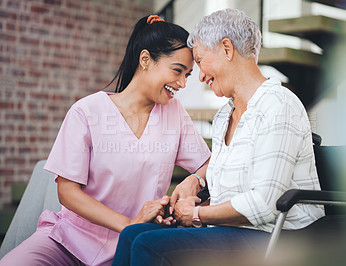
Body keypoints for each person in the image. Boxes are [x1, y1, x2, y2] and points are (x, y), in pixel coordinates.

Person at [111, 8, 325, 266]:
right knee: (133, 234)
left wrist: (197, 214)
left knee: (150, 245)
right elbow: (229, 189)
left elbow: (264, 204)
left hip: (281, 236)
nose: (199, 76)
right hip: (234, 231)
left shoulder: (279, 105)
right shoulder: (225, 115)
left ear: (227, 49)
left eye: (200, 61)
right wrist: (194, 187)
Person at [0, 15, 211, 266]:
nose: (182, 83)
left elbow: (209, 164)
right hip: (69, 240)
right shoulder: (86, 111)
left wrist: (194, 180)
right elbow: (67, 192)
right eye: (177, 71)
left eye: (187, 74)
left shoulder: (174, 113)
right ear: (145, 60)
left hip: (136, 245)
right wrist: (129, 224)